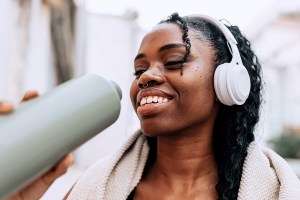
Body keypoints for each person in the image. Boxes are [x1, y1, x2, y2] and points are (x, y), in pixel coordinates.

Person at [4, 13, 300, 200]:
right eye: (138, 70)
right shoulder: (94, 188)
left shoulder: (278, 192)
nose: (146, 76)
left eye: (173, 61)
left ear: (228, 83)